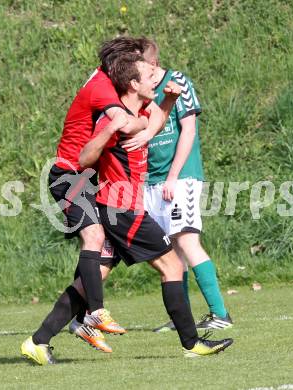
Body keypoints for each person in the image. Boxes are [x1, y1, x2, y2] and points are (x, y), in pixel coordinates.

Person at [20, 37, 176, 365]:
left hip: (93, 181)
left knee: (102, 262)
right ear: (125, 68)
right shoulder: (102, 88)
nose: (151, 71)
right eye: (145, 66)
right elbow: (124, 122)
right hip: (70, 175)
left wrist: (155, 113)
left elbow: (137, 121)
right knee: (95, 238)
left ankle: (45, 338)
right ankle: (94, 313)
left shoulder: (111, 86)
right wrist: (144, 125)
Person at [79, 53, 233, 357]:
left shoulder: (137, 111)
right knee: (172, 263)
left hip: (123, 206)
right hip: (121, 208)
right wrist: (110, 131)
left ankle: (48, 334)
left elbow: (153, 125)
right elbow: (85, 158)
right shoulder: (117, 117)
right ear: (133, 83)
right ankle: (193, 341)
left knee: (104, 264)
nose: (157, 80)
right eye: (150, 76)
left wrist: (168, 102)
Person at [134, 38, 233, 332]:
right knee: (171, 250)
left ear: (151, 63)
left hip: (180, 177)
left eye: (137, 65)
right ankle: (184, 319)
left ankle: (220, 314)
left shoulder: (177, 81)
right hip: (152, 180)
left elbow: (188, 130)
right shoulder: (141, 88)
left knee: (187, 241)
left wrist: (174, 176)